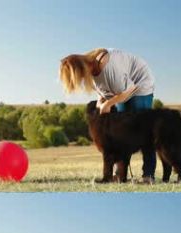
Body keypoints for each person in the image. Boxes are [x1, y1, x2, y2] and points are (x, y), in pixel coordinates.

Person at [59, 48, 157, 183]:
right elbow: (102, 91)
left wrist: (109, 104)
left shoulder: (109, 69)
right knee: (120, 134)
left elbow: (130, 89)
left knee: (142, 131)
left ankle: (148, 175)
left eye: (79, 77)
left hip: (140, 85)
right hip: (122, 88)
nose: (81, 81)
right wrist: (101, 102)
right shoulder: (92, 72)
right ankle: (119, 175)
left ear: (82, 69)